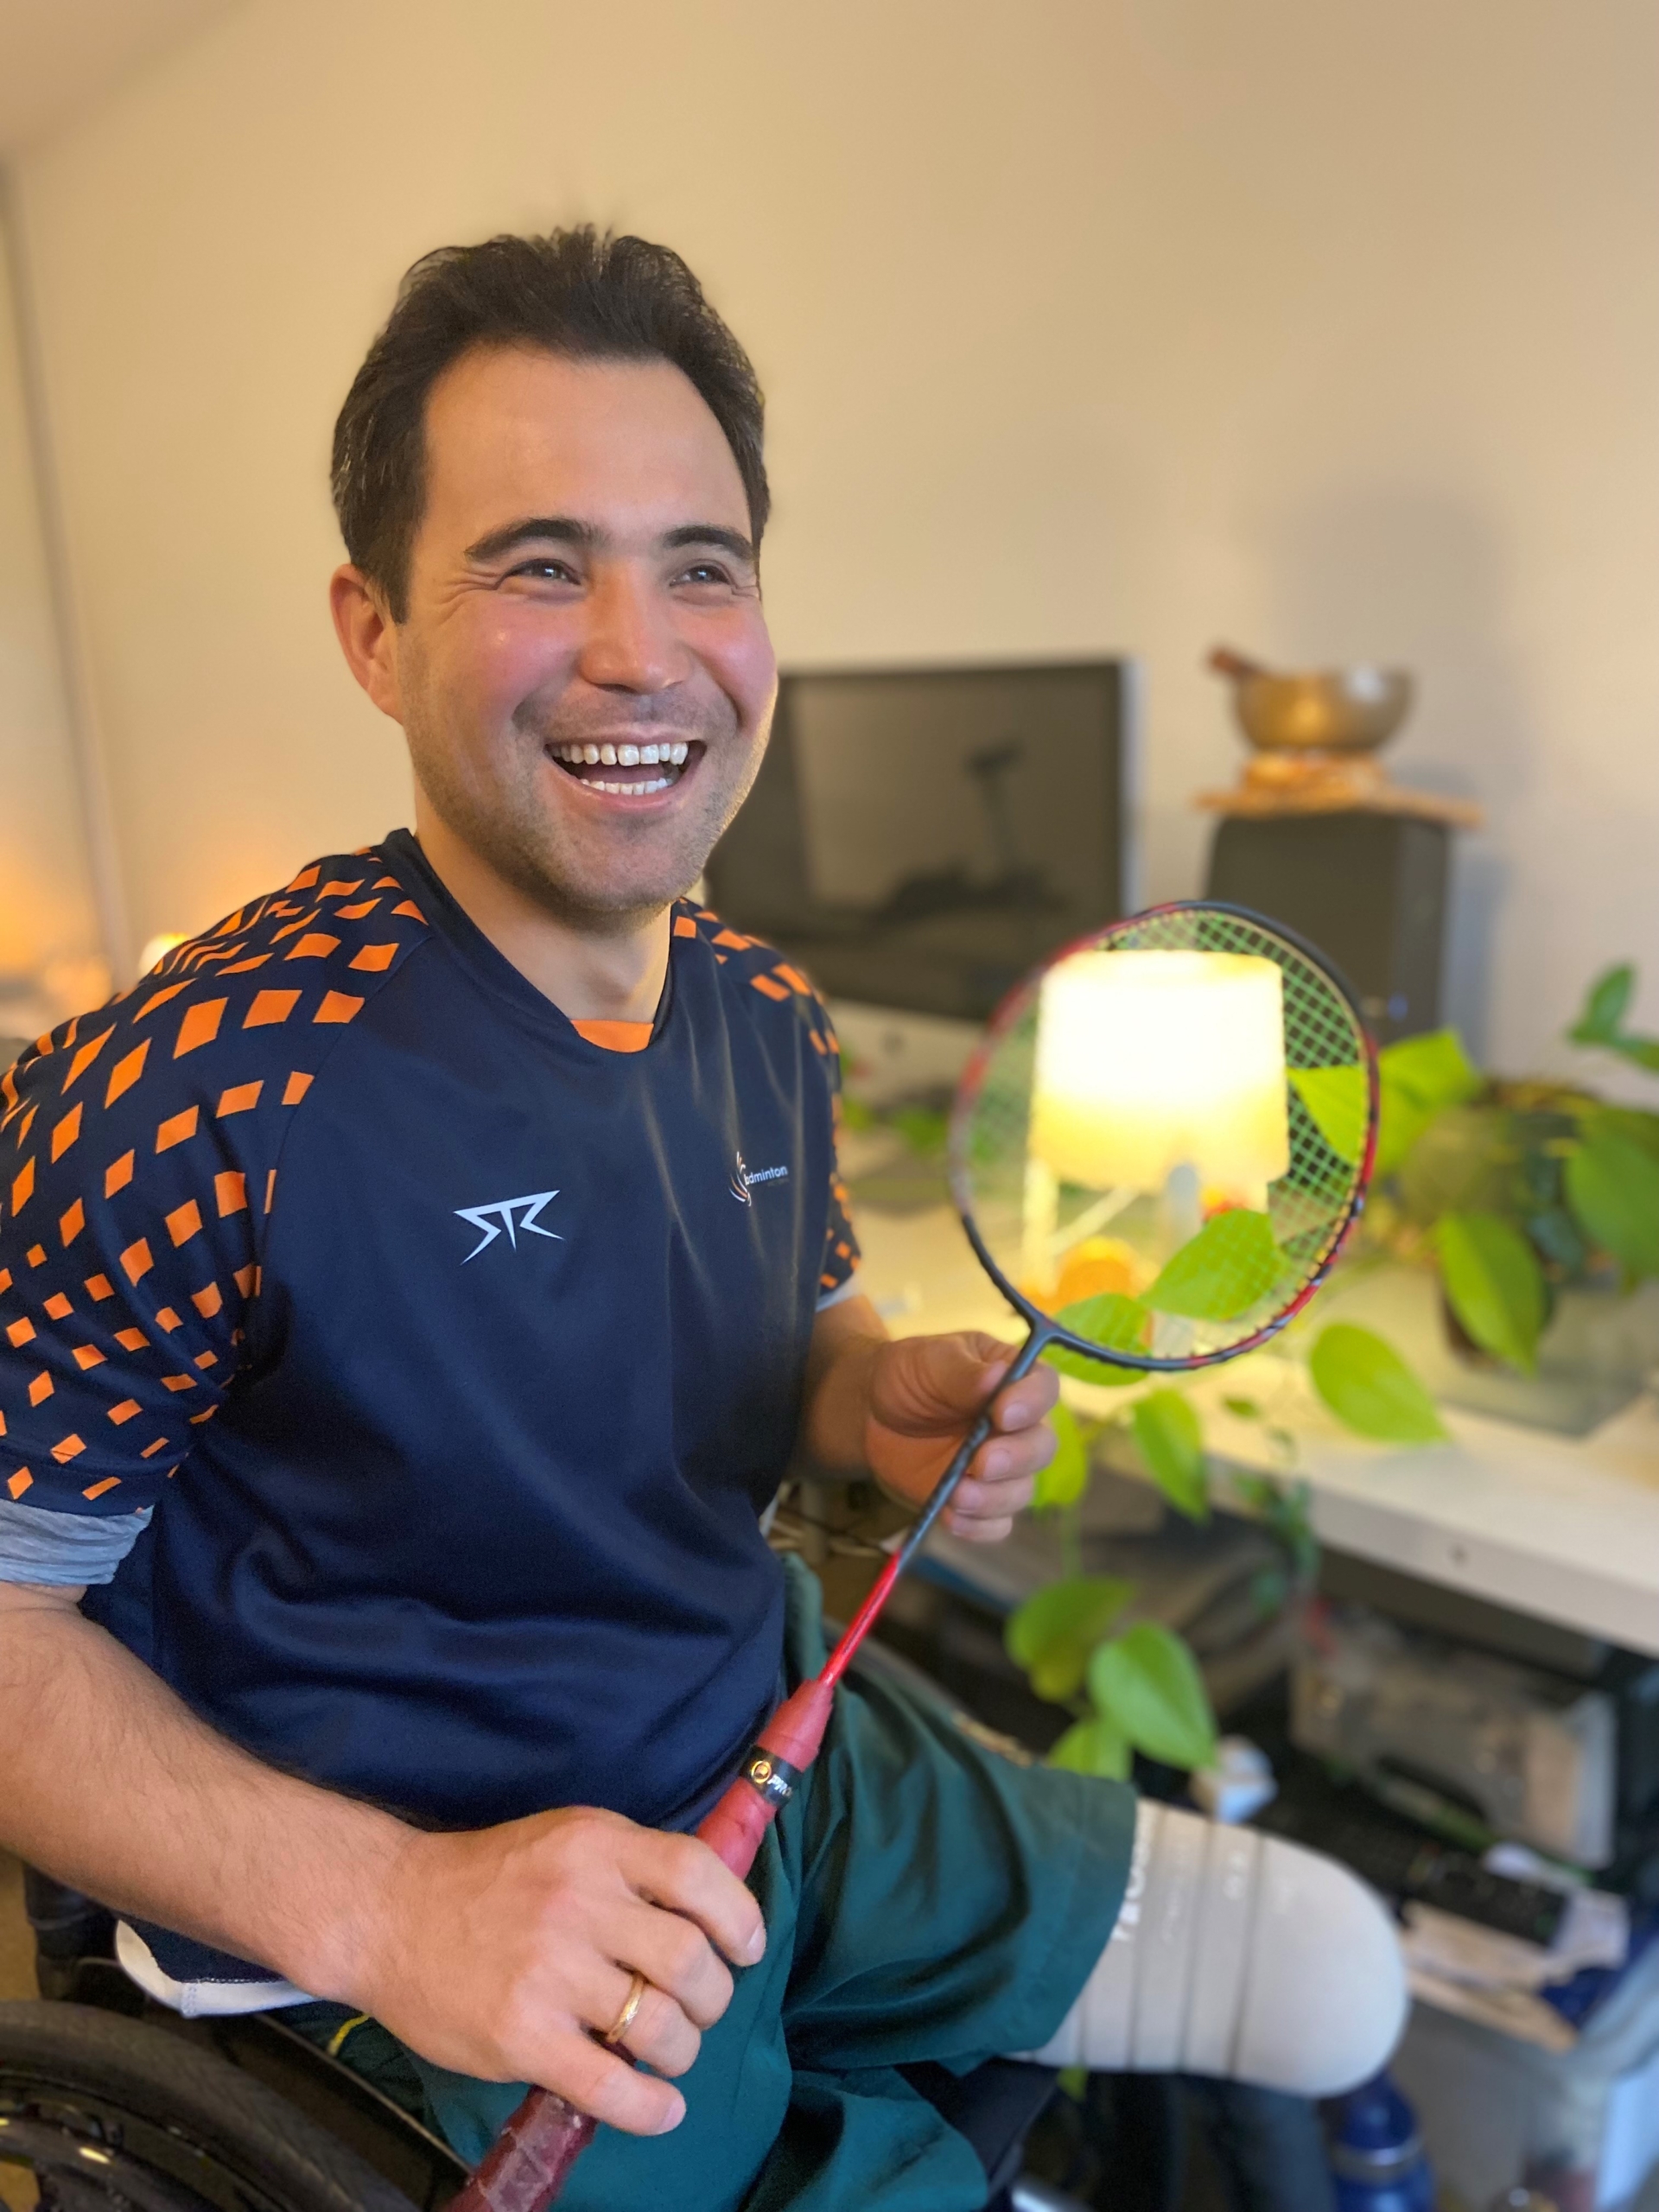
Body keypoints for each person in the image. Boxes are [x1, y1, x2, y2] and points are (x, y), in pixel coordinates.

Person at [0, 231, 1401, 2212]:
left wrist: (865, 1394)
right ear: (374, 633)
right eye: (539, 564)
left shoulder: (764, 1008)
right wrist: (389, 1905)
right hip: (426, 1926)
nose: (643, 650)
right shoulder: (197, 1083)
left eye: (703, 566)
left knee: (1334, 1968)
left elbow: (789, 1331)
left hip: (762, 1747)